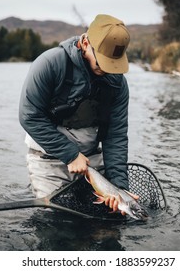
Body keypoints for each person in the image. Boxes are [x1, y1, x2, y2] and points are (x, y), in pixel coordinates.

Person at [19, 14, 135, 214]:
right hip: (48, 160)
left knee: (109, 217)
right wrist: (71, 155)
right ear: (84, 42)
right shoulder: (49, 64)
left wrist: (119, 187)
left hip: (92, 160)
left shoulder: (118, 83)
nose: (107, 71)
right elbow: (29, 116)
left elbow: (115, 135)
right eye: (102, 63)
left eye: (113, 65)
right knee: (57, 221)